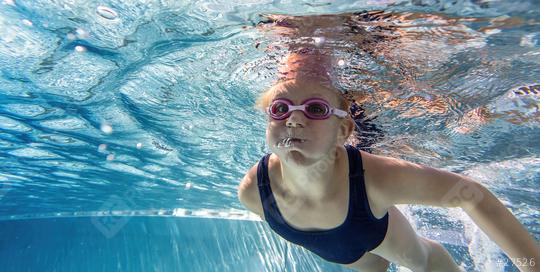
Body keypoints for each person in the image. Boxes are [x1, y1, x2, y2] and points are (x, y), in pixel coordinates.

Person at [237, 46, 540, 271]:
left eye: (315, 109)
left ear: (343, 130)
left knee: (421, 260)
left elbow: (472, 195)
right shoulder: (252, 191)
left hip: (371, 226)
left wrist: (531, 265)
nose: (293, 120)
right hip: (349, 253)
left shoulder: (375, 178)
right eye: (280, 109)